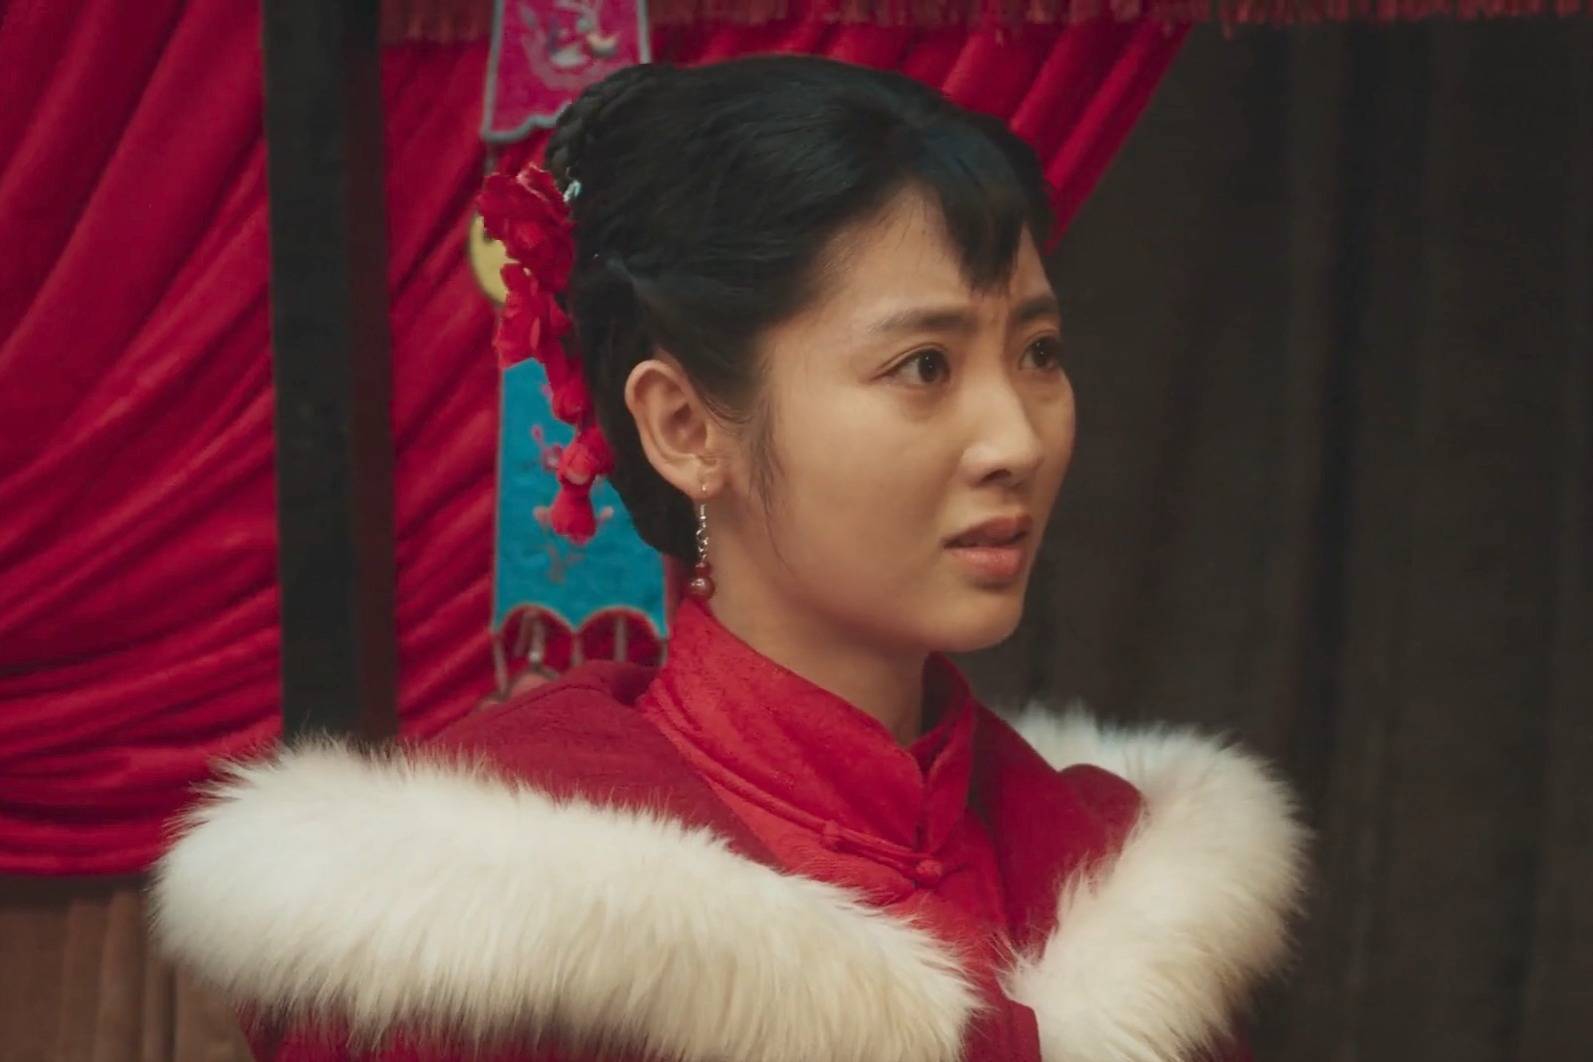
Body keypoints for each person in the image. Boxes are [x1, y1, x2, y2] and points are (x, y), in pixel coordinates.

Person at [151, 55, 1306, 1062]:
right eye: (924, 366)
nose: (1015, 440)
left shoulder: (1119, 883)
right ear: (684, 427)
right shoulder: (487, 913)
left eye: (1039, 352)